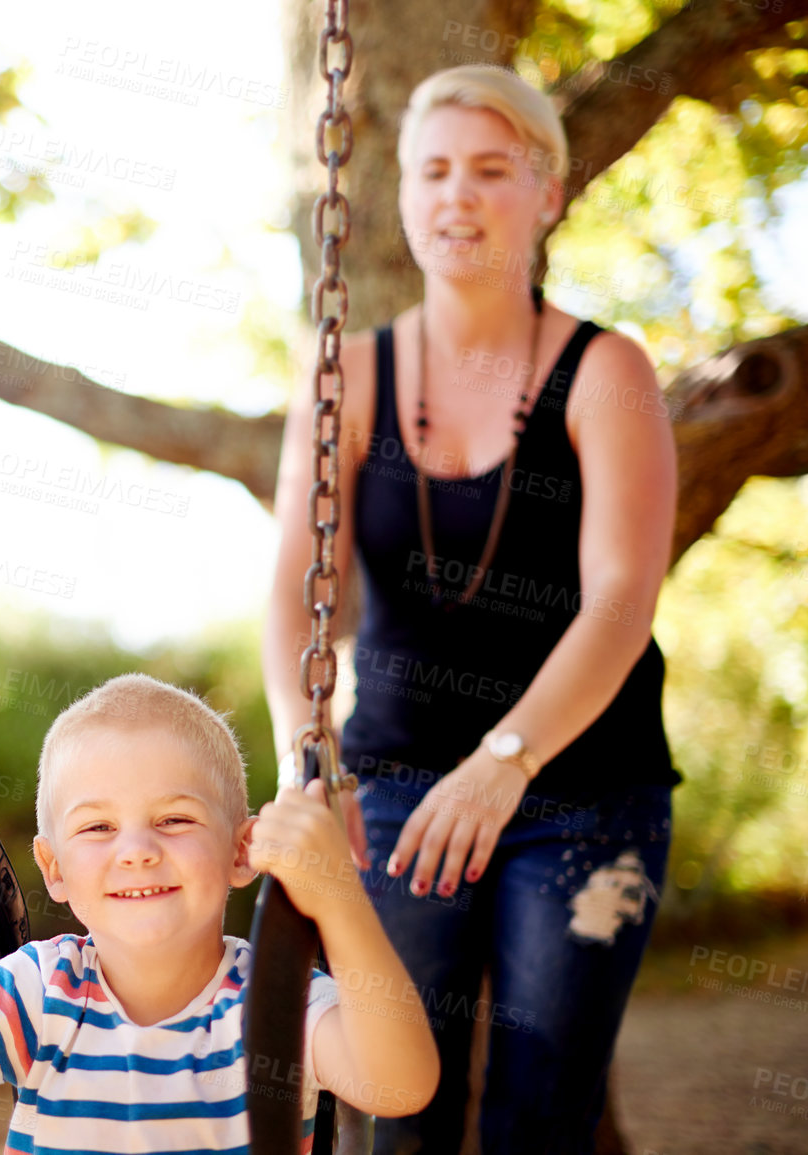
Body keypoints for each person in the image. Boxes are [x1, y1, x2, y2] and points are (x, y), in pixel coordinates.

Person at [263, 64, 680, 1153]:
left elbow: (622, 599)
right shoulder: (348, 376)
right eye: (434, 170)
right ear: (403, 193)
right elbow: (295, 597)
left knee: (540, 1114)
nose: (458, 195)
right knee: (396, 1106)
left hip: (583, 788)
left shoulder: (606, 370)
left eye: (492, 170)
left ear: (547, 191)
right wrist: (308, 757)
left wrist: (505, 760)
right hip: (394, 783)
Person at [0, 673, 440, 1152]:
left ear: (241, 851)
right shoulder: (39, 991)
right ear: (54, 869)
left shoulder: (276, 1001)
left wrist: (337, 897)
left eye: (175, 819)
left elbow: (400, 1083)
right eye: (98, 827)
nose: (137, 851)